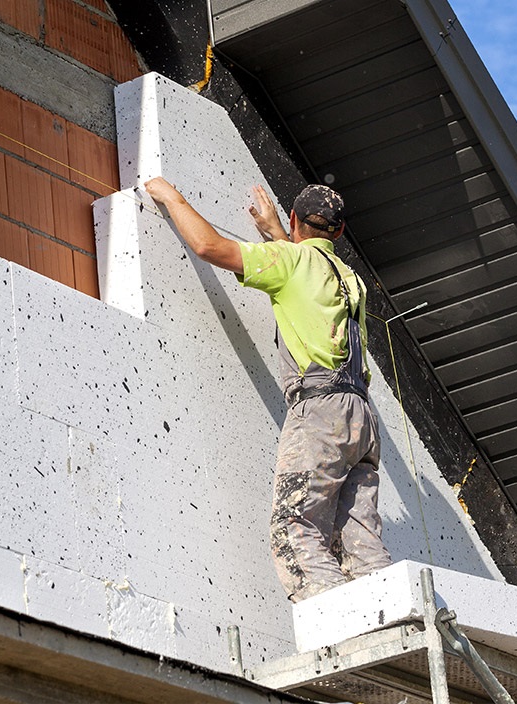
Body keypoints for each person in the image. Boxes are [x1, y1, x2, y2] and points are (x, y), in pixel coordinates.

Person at [143, 176, 391, 602]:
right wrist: (278, 232)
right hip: (361, 418)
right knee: (359, 541)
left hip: (320, 414)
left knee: (294, 526)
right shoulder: (349, 277)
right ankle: (395, 615)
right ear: (340, 232)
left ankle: (337, 625)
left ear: (294, 220)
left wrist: (172, 196)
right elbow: (308, 271)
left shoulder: (292, 263)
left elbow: (210, 248)